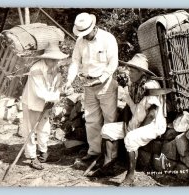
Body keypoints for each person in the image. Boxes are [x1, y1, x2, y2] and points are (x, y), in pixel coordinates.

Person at [91, 53, 167, 186]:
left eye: (132, 70)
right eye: (129, 69)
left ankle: (130, 176)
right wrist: (127, 124)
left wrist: (136, 129)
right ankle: (108, 165)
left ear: (141, 72)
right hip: (136, 121)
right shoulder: (133, 84)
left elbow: (152, 114)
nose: (128, 73)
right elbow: (128, 107)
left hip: (152, 124)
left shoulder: (151, 85)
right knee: (107, 129)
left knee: (131, 138)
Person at [63, 12, 119, 162]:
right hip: (88, 84)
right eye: (83, 34)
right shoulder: (80, 42)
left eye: (87, 33)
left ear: (94, 27)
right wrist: (69, 81)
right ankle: (94, 152)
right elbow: (75, 62)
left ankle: (110, 156)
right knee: (91, 119)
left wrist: (101, 78)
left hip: (106, 83)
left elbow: (113, 63)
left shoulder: (108, 39)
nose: (85, 36)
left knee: (110, 119)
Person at [21, 43, 69, 170]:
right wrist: (59, 94)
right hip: (32, 102)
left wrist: (59, 89)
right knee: (29, 129)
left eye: (57, 59)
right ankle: (32, 157)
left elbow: (56, 85)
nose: (55, 61)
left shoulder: (55, 68)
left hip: (47, 102)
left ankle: (43, 152)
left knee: (44, 127)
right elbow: (39, 92)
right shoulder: (36, 69)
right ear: (45, 58)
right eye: (53, 59)